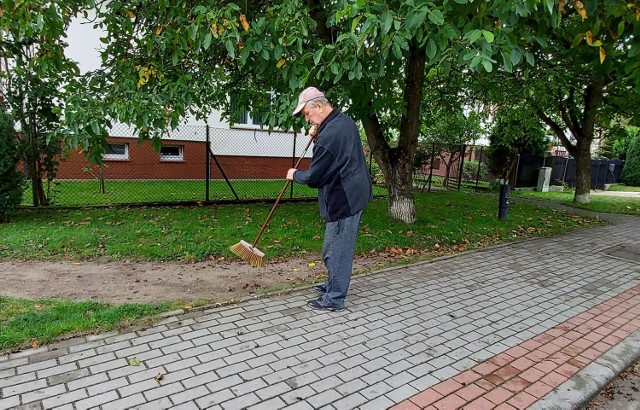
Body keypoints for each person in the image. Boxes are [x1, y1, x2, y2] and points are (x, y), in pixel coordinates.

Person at [287, 87, 372, 311]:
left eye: (307, 113)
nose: (307, 119)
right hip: (352, 191)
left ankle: (334, 299)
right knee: (331, 248)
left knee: (337, 251)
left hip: (345, 199)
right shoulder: (342, 122)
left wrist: (295, 174)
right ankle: (332, 284)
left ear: (320, 106)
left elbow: (316, 175)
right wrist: (317, 134)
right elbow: (333, 157)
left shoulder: (331, 134)